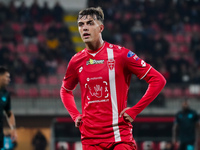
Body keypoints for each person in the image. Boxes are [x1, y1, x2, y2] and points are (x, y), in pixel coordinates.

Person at [60, 7, 166, 150]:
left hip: (119, 138)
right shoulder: (76, 61)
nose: (85, 28)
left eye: (90, 23)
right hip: (90, 140)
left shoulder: (121, 55)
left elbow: (158, 80)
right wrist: (75, 115)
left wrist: (135, 110)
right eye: (81, 24)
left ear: (101, 28)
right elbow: (65, 90)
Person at [0, 66, 17, 150]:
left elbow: (9, 113)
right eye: (7, 77)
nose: (9, 79)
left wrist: (13, 129)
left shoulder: (6, 94)